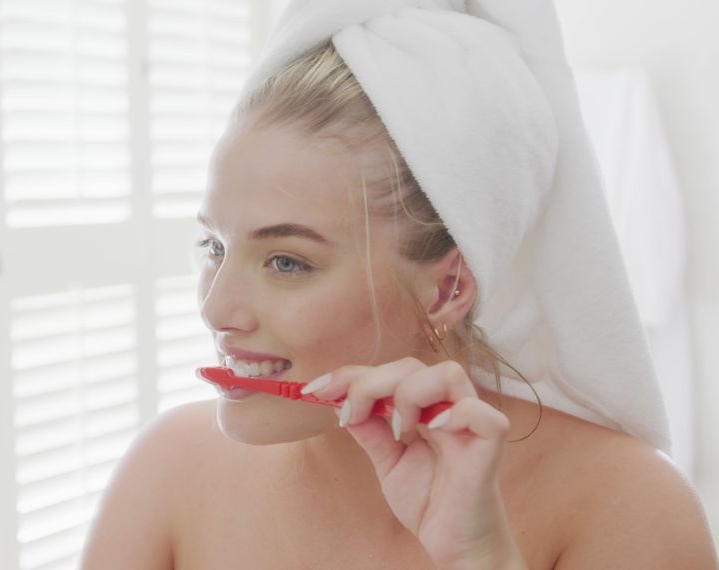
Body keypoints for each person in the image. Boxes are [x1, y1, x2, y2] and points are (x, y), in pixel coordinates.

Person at [81, 1, 718, 568]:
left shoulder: (626, 508)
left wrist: (482, 559)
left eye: (287, 262)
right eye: (214, 246)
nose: (215, 308)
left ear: (448, 290)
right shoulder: (167, 471)